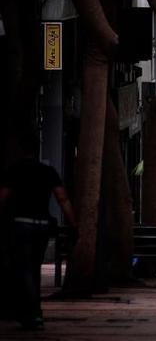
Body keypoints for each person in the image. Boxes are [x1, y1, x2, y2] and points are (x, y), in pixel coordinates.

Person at [0, 142, 77, 331]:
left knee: (23, 268)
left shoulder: (15, 170)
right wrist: (74, 223)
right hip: (42, 226)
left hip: (21, 224)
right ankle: (34, 313)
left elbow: (2, 197)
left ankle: (32, 313)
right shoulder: (47, 171)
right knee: (34, 267)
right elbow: (62, 198)